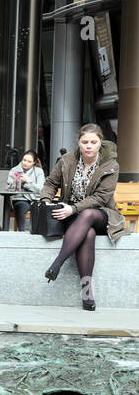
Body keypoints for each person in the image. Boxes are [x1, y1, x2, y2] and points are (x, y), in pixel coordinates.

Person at [42, 123, 131, 311]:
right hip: (73, 216)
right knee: (88, 234)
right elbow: (51, 183)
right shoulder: (67, 160)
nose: (89, 146)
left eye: (93, 142)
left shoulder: (110, 165)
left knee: (88, 215)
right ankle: (87, 293)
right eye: (85, 142)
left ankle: (57, 264)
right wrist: (45, 200)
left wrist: (73, 209)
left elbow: (100, 197)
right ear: (78, 143)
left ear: (100, 143)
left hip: (101, 213)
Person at [6, 150, 45, 231]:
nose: (26, 163)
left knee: (39, 207)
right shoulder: (14, 170)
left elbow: (41, 189)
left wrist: (28, 182)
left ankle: (36, 232)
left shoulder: (38, 171)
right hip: (20, 199)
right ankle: (21, 232)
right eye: (24, 160)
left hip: (35, 199)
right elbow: (9, 188)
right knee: (21, 206)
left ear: (34, 162)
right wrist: (17, 182)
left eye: (29, 161)